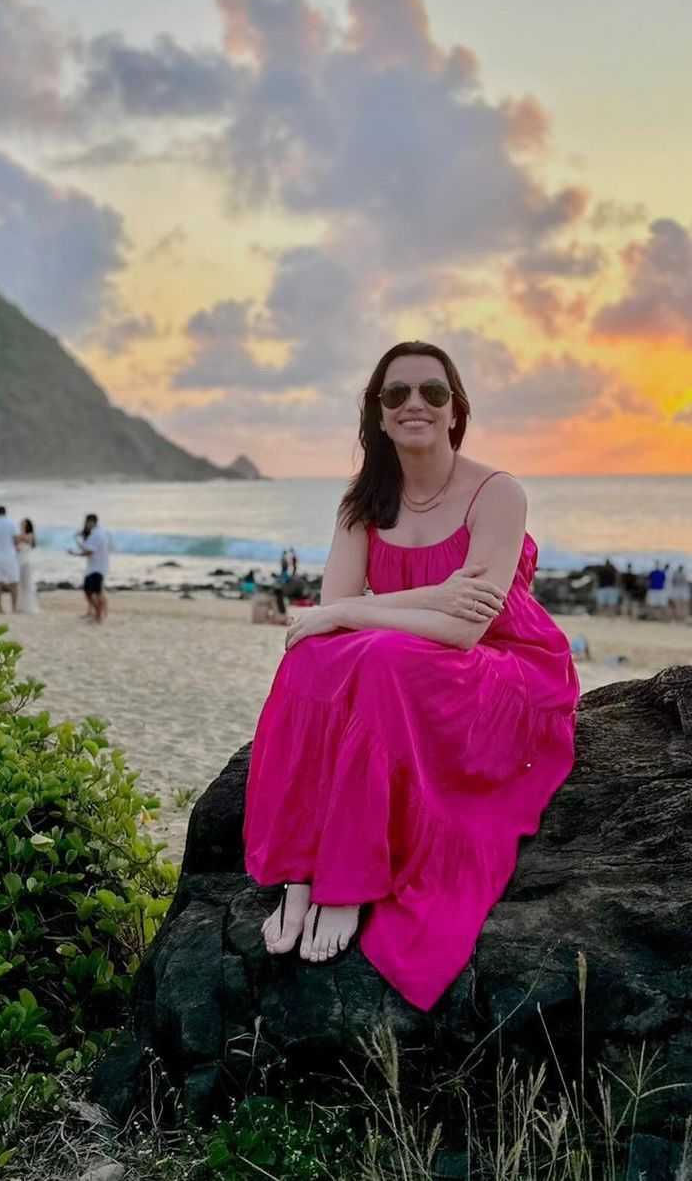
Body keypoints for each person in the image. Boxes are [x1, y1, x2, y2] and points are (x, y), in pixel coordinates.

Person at [244, 341, 578, 1012]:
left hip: (505, 674)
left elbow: (464, 629)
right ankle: (302, 869)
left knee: (379, 657)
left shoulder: (497, 493)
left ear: (456, 411)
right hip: (405, 664)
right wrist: (399, 603)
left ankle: (347, 881)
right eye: (396, 394)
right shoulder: (363, 503)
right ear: (378, 413)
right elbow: (328, 630)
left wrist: (354, 610)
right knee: (312, 657)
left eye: (433, 392)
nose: (415, 404)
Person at [72, 513, 110, 622]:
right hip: (97, 566)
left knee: (92, 592)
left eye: (88, 522)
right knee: (94, 592)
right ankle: (97, 613)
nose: (86, 524)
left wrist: (76, 544)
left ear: (92, 522)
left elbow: (89, 551)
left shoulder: (97, 534)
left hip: (96, 567)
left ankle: (98, 615)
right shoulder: (98, 533)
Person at [15, 518, 40, 614]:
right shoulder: (21, 536)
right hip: (18, 561)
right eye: (21, 525)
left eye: (24, 525)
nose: (22, 527)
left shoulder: (30, 536)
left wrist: (18, 537)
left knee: (27, 584)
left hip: (25, 562)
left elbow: (20, 539)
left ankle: (28, 606)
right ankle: (21, 605)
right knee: (20, 585)